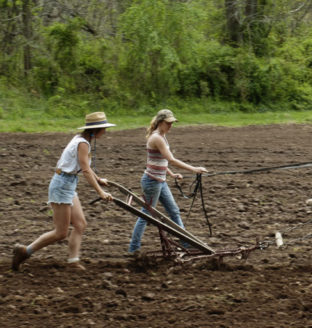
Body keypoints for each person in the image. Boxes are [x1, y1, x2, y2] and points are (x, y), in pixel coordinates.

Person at [12, 112, 115, 271]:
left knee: (80, 224)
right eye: (104, 129)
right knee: (61, 232)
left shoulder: (82, 140)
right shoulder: (83, 144)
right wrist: (100, 192)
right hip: (62, 185)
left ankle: (73, 261)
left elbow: (84, 166)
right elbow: (85, 170)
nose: (106, 132)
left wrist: (99, 179)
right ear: (96, 130)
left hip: (68, 183)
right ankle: (25, 251)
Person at [128, 109, 207, 252]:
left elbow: (159, 160)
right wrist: (194, 169)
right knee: (146, 215)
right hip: (152, 182)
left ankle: (185, 243)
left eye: (172, 123)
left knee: (174, 211)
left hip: (160, 180)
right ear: (160, 122)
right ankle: (133, 248)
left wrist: (171, 174)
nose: (170, 126)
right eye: (168, 123)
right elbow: (171, 159)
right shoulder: (157, 137)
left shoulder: (162, 136)